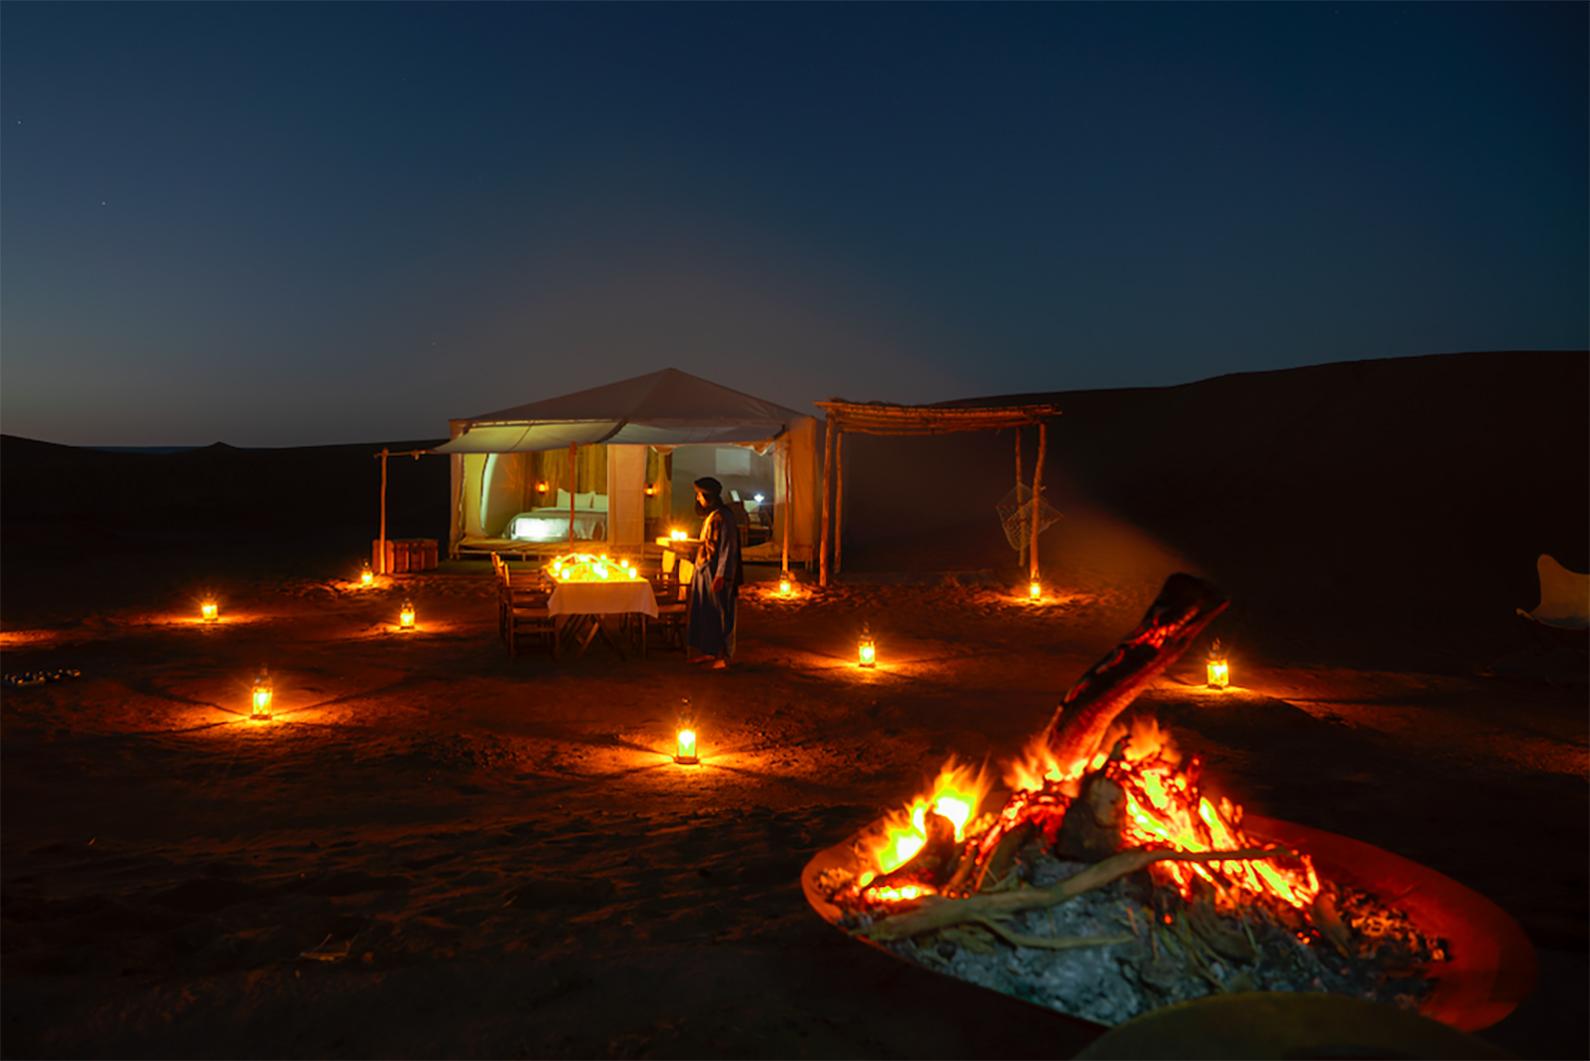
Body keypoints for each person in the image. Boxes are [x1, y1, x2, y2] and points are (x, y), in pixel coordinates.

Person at [686, 476, 742, 669]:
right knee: (706, 613)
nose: (698, 499)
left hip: (716, 573)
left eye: (700, 495)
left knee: (721, 613)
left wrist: (721, 575)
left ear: (708, 496)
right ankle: (710, 651)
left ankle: (724, 656)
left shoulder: (724, 516)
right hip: (704, 571)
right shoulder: (712, 516)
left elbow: (728, 548)